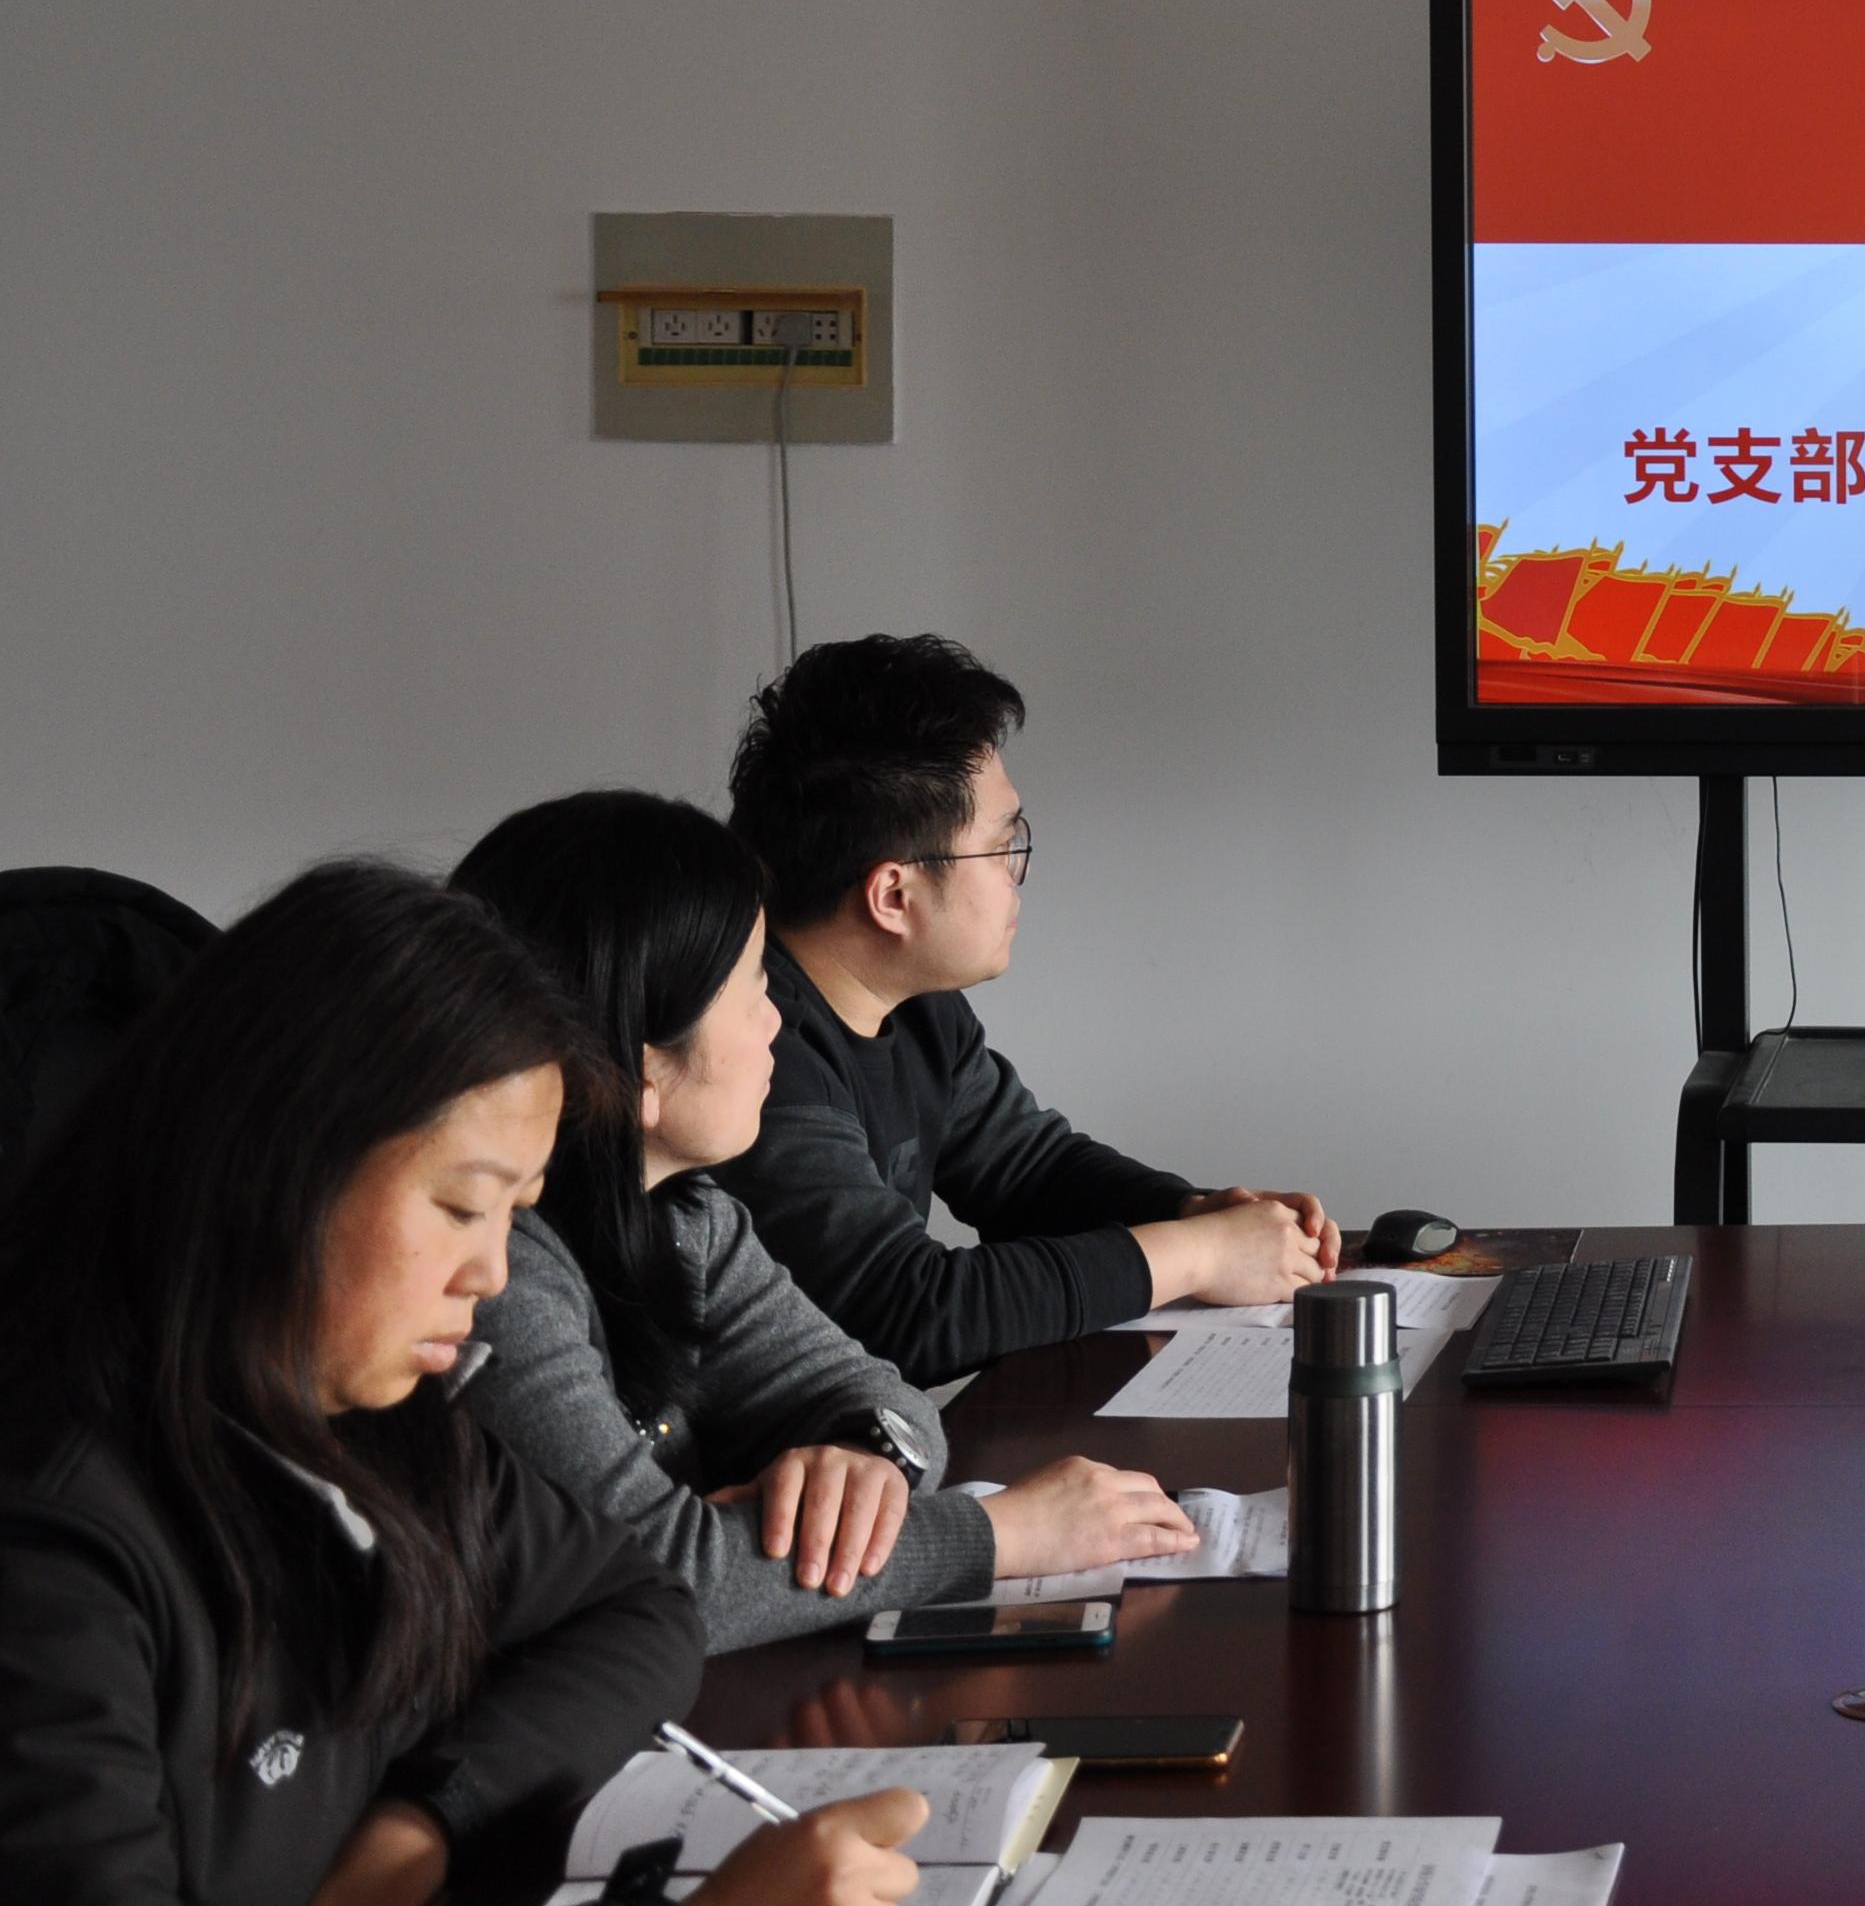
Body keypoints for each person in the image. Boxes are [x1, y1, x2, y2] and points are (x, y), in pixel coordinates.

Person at [0, 858, 927, 1906]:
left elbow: (638, 1604)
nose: (489, 1275)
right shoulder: (54, 1548)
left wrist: (423, 1829)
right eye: (459, 1207)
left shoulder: (377, 1427)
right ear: (278, 1163)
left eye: (514, 1214)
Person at [450, 792, 1203, 1651]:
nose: (777, 1023)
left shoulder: (689, 1219)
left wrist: (863, 1459)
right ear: (639, 1072)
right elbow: (652, 1578)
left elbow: (883, 1396)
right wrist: (1004, 1536)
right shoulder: (489, 1272)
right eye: (752, 992)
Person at [713, 635, 1336, 1381]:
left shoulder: (919, 1008)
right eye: (1002, 845)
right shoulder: (750, 1048)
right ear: (893, 895)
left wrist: (1190, 1211)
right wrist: (1200, 1256)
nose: (1016, 875)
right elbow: (907, 1312)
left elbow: (1026, 1170)